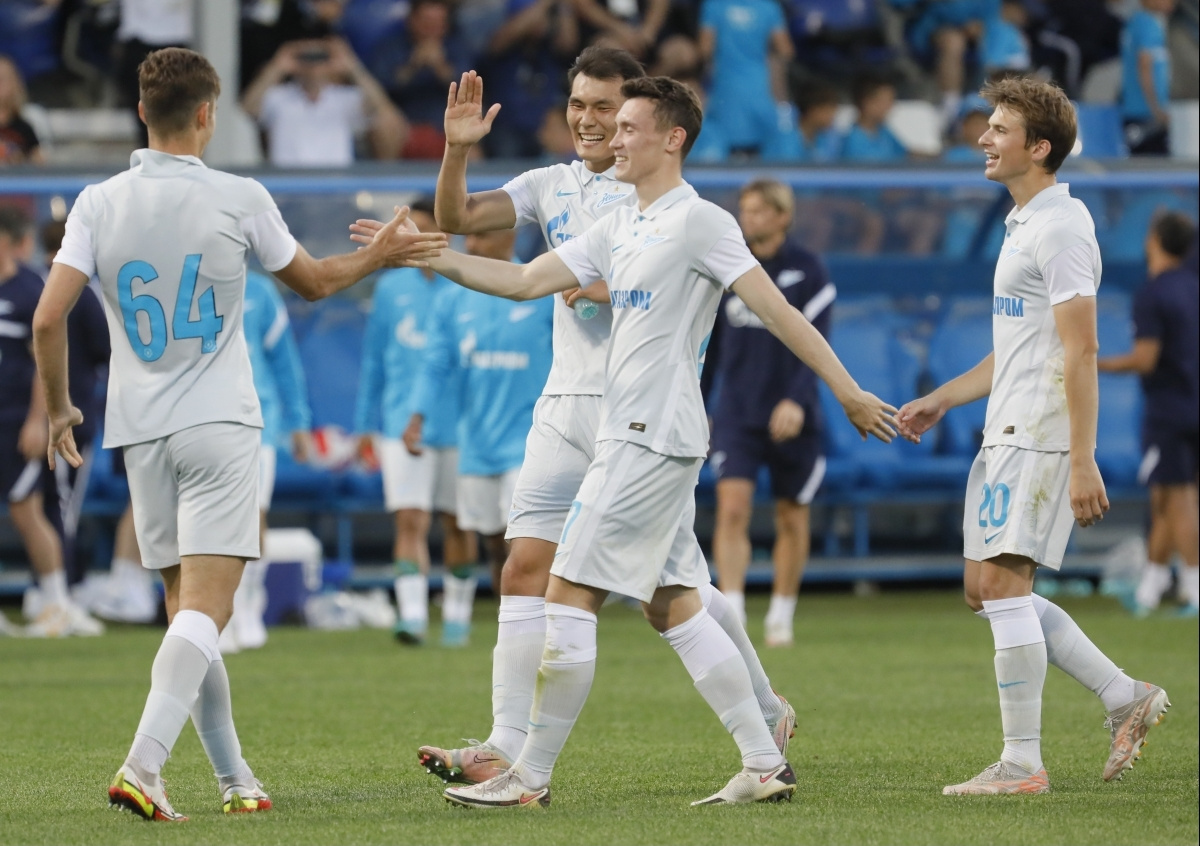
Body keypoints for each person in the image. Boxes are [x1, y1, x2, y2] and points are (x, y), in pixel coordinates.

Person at [356, 74, 897, 808]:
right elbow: (523, 280)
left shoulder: (701, 222)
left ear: (672, 139)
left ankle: (528, 776)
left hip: (655, 434)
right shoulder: (621, 226)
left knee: (568, 592)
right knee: (670, 600)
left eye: (630, 127)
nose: (615, 139)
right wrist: (424, 255)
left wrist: (846, 389)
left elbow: (778, 311)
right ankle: (763, 756)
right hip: (626, 431)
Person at [32, 47, 444, 821]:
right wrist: (381, 254)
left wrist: (58, 408)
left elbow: (49, 317)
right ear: (207, 115)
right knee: (208, 610)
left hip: (140, 430)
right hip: (218, 422)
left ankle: (235, 779)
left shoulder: (95, 202)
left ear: (141, 113)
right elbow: (314, 283)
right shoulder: (238, 195)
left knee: (188, 609)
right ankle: (143, 766)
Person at [410, 48, 797, 789]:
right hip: (567, 402)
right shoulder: (550, 185)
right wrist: (457, 152)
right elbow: (459, 221)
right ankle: (504, 745)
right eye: (578, 104)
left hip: (643, 413)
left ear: (640, 118)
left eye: (606, 109)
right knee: (526, 566)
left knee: (670, 589)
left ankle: (760, 712)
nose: (590, 122)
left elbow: (685, 289)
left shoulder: (665, 201)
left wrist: (609, 290)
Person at [897, 75, 1170, 795]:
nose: (983, 139)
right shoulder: (1025, 223)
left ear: (1039, 147)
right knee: (983, 590)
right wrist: (944, 398)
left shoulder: (1063, 228)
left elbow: (1081, 349)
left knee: (1003, 587)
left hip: (1042, 431)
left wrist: (1081, 459)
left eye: (998, 129)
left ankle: (1022, 763)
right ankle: (1124, 695)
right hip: (1007, 425)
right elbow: (1019, 347)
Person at [701, 179, 834, 646]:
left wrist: (795, 400)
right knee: (732, 508)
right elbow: (711, 349)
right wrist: (701, 405)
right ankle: (733, 611)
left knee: (791, 515)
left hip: (793, 415)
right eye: (745, 210)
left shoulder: (808, 271)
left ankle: (781, 615)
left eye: (759, 210)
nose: (749, 218)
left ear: (782, 216)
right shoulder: (727, 268)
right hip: (738, 413)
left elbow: (820, 342)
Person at [406, 228, 554, 646]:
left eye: (482, 236)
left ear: (510, 235)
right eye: (467, 238)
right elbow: (436, 363)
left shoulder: (543, 289)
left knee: (525, 541)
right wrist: (417, 414)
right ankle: (513, 627)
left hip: (531, 440)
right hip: (476, 441)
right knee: (494, 540)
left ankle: (536, 632)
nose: (471, 245)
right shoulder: (452, 298)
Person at [355, 199, 474, 645]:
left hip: (460, 425)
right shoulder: (389, 289)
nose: (413, 239)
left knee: (458, 523)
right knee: (410, 519)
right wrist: (364, 425)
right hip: (399, 423)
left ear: (445, 235)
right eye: (408, 231)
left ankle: (458, 617)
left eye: (423, 230)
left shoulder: (470, 283)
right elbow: (374, 360)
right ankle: (413, 617)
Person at [1, 206, 103, 638]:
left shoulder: (31, 291)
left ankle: (60, 599)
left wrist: (36, 420)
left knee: (30, 509)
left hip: (19, 422)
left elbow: (44, 360)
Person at [1098, 211, 1199, 616]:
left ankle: (1194, 587)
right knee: (1164, 497)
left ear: (1154, 241)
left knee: (1179, 499)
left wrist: (1092, 363)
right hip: (1193, 403)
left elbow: (1145, 359)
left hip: (1169, 410)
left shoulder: (1152, 293)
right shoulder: (1193, 286)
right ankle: (1151, 588)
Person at [218, 270, 313, 654]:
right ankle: (218, 612)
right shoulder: (186, 280)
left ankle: (248, 605)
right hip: (205, 420)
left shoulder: (259, 290)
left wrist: (299, 421)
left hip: (258, 418)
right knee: (212, 520)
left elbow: (284, 359)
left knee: (253, 515)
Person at [241, 37, 406, 167]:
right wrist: (278, 66)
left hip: (334, 185)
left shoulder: (344, 98)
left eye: (321, 58)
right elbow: (247, 109)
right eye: (307, 58)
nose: (314, 66)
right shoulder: (278, 97)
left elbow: (379, 108)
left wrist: (352, 67)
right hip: (287, 186)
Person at [698, 0, 794, 157]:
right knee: (764, 151)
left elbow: (705, 49)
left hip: (726, 88)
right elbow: (785, 50)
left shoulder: (714, 5)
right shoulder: (769, 8)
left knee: (724, 150)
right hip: (760, 87)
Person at [1120, 0, 1174, 156]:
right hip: (1147, 114)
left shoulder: (1134, 22)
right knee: (1155, 165)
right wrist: (1156, 109)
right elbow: (1144, 65)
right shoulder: (1148, 25)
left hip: (1132, 110)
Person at [840, 74, 907, 163]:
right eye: (885, 101)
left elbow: (905, 154)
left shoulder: (884, 132)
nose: (890, 106)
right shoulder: (853, 142)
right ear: (867, 103)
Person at [0, 55, 44, 166]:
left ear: (14, 84)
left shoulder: (24, 128)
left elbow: (40, 163)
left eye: (2, 79)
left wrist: (21, 159)